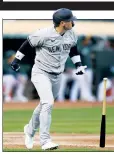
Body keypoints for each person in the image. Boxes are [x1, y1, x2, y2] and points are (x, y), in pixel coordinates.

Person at [10, 8, 87, 150]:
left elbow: (73, 49)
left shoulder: (71, 34)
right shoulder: (43, 34)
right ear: (63, 23)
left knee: (44, 105)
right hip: (41, 72)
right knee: (48, 103)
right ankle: (45, 141)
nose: (73, 22)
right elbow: (27, 44)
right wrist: (16, 61)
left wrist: (78, 65)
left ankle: (29, 130)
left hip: (57, 75)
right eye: (70, 20)